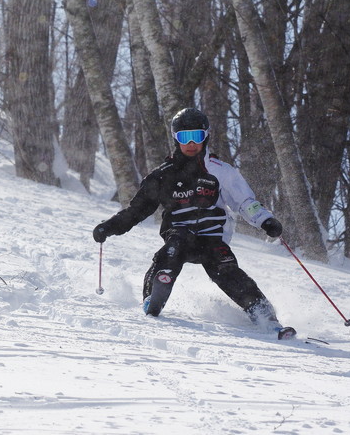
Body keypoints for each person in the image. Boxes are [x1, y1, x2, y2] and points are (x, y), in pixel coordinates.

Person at [92, 107, 295, 340]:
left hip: (212, 237)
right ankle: (154, 296)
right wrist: (109, 227)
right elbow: (137, 210)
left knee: (226, 268)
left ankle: (266, 317)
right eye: (184, 137)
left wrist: (265, 221)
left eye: (196, 136)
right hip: (179, 232)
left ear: (206, 136)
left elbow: (244, 202)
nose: (191, 144)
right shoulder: (163, 175)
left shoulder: (221, 171)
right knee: (173, 249)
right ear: (176, 139)